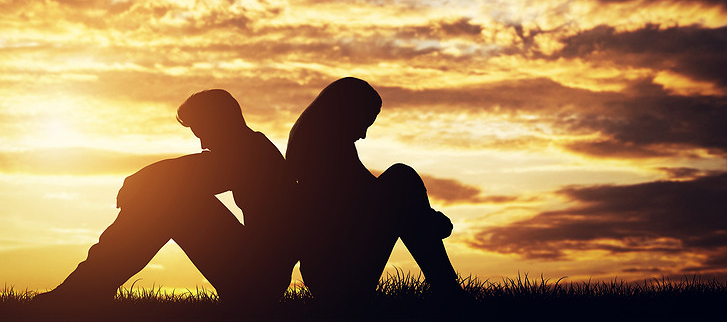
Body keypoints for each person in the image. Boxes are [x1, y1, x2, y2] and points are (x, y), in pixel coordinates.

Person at [36, 89, 297, 310]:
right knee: (168, 198)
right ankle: (88, 287)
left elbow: (189, 173)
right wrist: (144, 183)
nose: (203, 143)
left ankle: (86, 289)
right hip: (258, 277)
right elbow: (191, 171)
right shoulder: (252, 148)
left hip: (258, 283)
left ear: (221, 122)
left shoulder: (250, 153)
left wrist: (139, 182)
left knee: (170, 202)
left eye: (204, 132)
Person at [286, 77, 461, 305]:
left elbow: (369, 191)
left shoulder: (323, 136)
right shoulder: (321, 144)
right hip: (336, 274)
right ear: (349, 111)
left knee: (402, 181)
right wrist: (427, 219)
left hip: (332, 270)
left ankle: (446, 287)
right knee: (402, 176)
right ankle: (447, 288)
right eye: (365, 123)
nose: (363, 135)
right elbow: (362, 199)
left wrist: (425, 217)